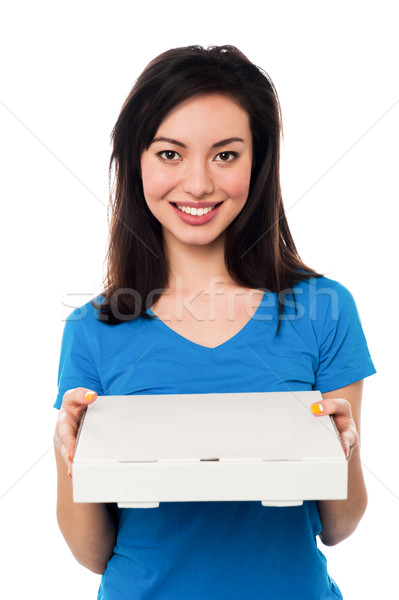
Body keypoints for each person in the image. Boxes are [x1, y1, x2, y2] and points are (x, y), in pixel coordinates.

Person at [53, 45, 376, 599]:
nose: (198, 184)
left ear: (258, 162)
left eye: (225, 155)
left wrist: (342, 450)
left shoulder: (325, 309)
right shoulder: (92, 328)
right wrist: (70, 457)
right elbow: (91, 554)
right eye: (170, 154)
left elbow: (339, 526)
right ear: (137, 161)